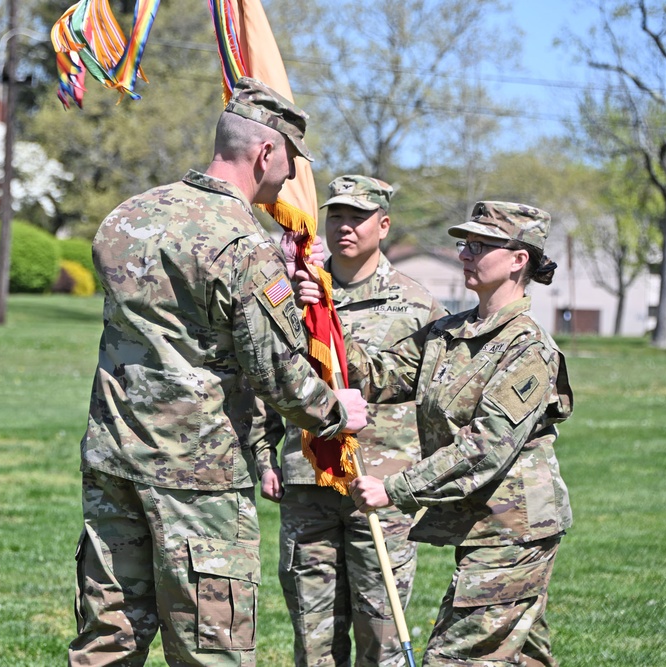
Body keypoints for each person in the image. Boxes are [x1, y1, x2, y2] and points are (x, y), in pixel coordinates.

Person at [68, 76, 368, 667]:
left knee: (107, 642)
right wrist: (335, 411)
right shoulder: (242, 243)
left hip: (114, 459)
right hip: (198, 476)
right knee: (212, 651)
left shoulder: (126, 218)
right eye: (289, 162)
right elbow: (275, 369)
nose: (289, 178)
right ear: (265, 153)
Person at [325, 201, 573, 666]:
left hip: (512, 529)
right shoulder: (446, 333)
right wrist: (318, 317)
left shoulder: (529, 347)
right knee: (523, 656)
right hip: (478, 524)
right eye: (465, 244)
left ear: (520, 259)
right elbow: (376, 373)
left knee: (456, 656)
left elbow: (485, 447)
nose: (465, 254)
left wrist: (395, 489)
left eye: (481, 246)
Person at [255, 175, 447, 667]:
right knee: (313, 638)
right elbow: (268, 373)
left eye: (357, 217)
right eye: (336, 215)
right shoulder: (295, 294)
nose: (344, 226)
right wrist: (263, 452)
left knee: (382, 632)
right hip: (309, 478)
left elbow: (435, 395)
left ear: (383, 225)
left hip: (379, 485)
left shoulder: (417, 305)